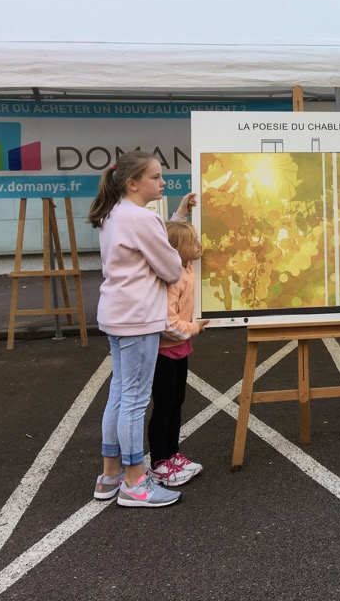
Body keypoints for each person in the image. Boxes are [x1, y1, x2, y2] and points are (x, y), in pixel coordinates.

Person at [88, 151, 185, 508]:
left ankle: (109, 475)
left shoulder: (110, 214)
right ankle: (134, 483)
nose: (163, 183)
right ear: (132, 183)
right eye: (156, 177)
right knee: (135, 400)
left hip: (115, 313)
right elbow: (172, 269)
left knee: (119, 394)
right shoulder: (143, 218)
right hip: (137, 317)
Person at [147, 194, 210, 487]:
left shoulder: (186, 265)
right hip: (163, 351)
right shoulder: (174, 277)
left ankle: (172, 454)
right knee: (165, 405)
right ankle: (159, 462)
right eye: (193, 241)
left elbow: (173, 232)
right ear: (177, 251)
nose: (198, 244)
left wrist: (182, 212)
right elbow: (167, 323)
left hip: (178, 348)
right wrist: (195, 328)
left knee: (177, 402)